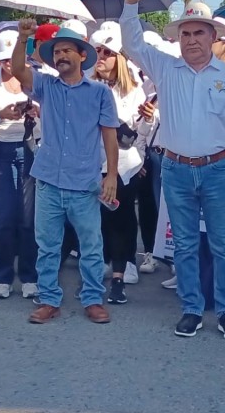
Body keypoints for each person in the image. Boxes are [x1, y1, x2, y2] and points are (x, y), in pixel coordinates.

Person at [120, 0, 225, 341]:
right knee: (183, 244)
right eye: (186, 33)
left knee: (223, 244)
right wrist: (130, 5)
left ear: (214, 37)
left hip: (218, 169)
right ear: (178, 37)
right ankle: (191, 309)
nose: (192, 39)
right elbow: (133, 44)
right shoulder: (165, 67)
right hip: (176, 168)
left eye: (199, 32)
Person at [12, 23, 119, 325]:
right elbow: (19, 68)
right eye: (56, 52)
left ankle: (93, 299)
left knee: (91, 245)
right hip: (47, 180)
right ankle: (49, 300)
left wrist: (110, 176)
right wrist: (23, 38)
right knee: (47, 245)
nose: (60, 56)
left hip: (84, 182)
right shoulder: (45, 85)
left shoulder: (100, 92)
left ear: (82, 55)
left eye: (66, 51)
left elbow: (110, 136)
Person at [90, 25, 146, 304]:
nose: (100, 57)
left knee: (123, 218)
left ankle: (124, 266)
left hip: (127, 165)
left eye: (107, 52)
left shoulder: (135, 91)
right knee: (100, 218)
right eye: (97, 51)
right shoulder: (87, 87)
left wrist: (145, 124)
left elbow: (145, 129)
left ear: (120, 57)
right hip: (95, 163)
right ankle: (104, 260)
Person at [0, 30, 37, 300]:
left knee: (28, 217)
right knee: (5, 215)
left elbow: (52, 116)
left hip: (31, 148)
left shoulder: (36, 79)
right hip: (1, 150)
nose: (9, 65)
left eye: (13, 59)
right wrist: (0, 115)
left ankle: (29, 275)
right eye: (4, 60)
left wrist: (36, 113)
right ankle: (4, 275)